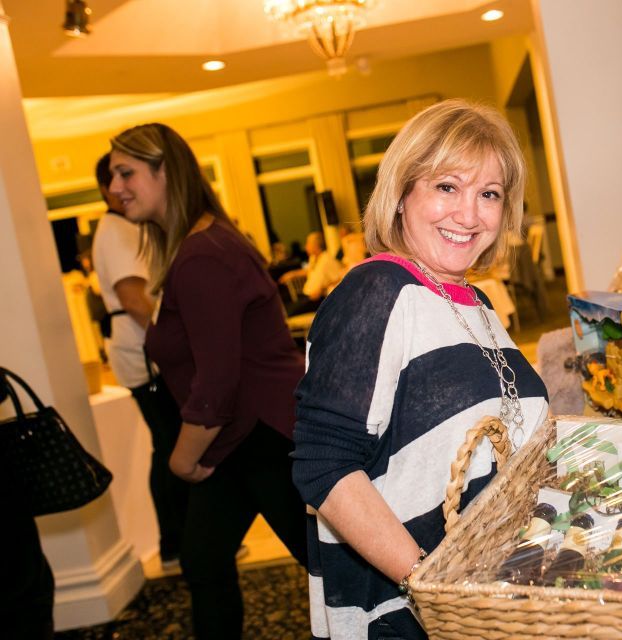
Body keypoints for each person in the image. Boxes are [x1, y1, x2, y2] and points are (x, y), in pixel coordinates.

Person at [292, 100, 549, 639]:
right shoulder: (377, 292)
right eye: (447, 187)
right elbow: (323, 466)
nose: (469, 215)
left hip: (486, 604)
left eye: (489, 194)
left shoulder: (474, 300)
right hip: (410, 616)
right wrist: (428, 585)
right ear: (401, 193)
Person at [109, 123, 308, 639]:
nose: (115, 188)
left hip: (264, 436)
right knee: (204, 561)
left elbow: (218, 380)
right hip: (242, 438)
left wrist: (180, 459)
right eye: (113, 176)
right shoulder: (197, 246)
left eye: (126, 173)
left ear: (165, 172)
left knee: (332, 567)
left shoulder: (202, 254)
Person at [91, 153, 189, 570]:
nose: (124, 187)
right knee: (168, 445)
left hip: (144, 349)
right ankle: (174, 543)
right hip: (143, 353)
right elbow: (134, 300)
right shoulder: (115, 231)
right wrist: (175, 344)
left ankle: (180, 542)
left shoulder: (127, 228)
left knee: (168, 443)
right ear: (106, 189)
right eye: (118, 178)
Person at [280, 230, 345, 315]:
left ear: (316, 246)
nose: (306, 247)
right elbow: (308, 271)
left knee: (289, 312)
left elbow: (341, 277)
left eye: (308, 244)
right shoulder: (313, 258)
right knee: (286, 308)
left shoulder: (327, 259)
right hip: (306, 295)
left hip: (317, 299)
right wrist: (291, 274)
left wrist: (322, 290)